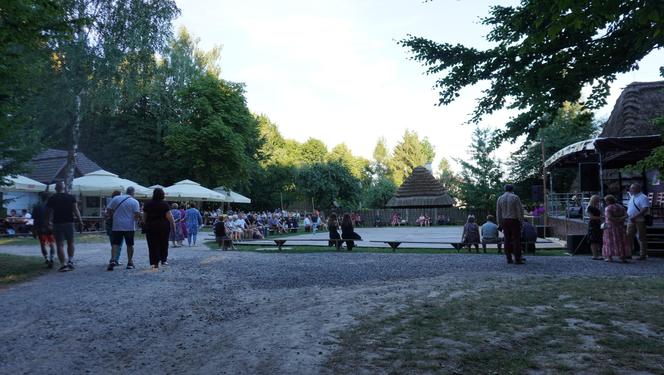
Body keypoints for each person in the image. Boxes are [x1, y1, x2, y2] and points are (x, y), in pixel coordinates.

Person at [46, 181, 83, 272]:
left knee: (59, 244)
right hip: (69, 222)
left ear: (55, 188)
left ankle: (63, 265)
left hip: (57, 223)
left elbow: (49, 212)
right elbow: (76, 210)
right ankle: (70, 261)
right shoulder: (70, 197)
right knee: (71, 242)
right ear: (64, 188)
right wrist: (80, 220)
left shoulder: (52, 198)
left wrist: (48, 222)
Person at [106, 186, 140, 271]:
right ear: (133, 193)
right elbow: (136, 215)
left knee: (115, 244)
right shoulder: (135, 201)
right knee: (130, 244)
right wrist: (135, 219)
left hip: (117, 225)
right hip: (129, 227)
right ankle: (130, 263)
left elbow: (109, 209)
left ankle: (113, 260)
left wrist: (112, 216)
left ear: (126, 191)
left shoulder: (116, 198)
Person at [142, 188, 175, 270]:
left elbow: (144, 216)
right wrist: (173, 226)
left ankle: (154, 262)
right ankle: (163, 260)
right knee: (163, 243)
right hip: (163, 226)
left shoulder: (148, 204)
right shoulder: (164, 204)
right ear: (162, 195)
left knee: (152, 244)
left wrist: (144, 224)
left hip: (151, 226)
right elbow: (169, 216)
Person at [496, 184, 525, 264]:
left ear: (505, 189)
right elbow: (519, 210)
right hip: (514, 220)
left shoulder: (500, 198)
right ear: (512, 189)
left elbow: (498, 212)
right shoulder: (515, 197)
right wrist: (521, 221)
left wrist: (499, 223)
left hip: (504, 220)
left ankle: (508, 258)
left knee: (506, 239)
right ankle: (517, 259)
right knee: (516, 240)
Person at [626, 183, 650, 260]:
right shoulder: (632, 197)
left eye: (632, 188)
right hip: (630, 220)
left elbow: (645, 209)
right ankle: (628, 253)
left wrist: (635, 216)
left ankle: (643, 255)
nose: (630, 190)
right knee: (629, 236)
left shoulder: (643, 197)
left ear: (637, 189)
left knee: (641, 237)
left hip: (640, 220)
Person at [603, 194, 629, 262]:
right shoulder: (621, 207)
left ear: (608, 201)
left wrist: (616, 219)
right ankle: (622, 257)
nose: (606, 202)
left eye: (606, 201)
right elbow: (626, 215)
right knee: (621, 241)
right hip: (620, 227)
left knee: (609, 242)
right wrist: (620, 219)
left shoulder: (608, 208)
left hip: (610, 227)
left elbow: (609, 217)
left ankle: (609, 257)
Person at [32, 192, 55, 268]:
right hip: (50, 227)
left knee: (42, 244)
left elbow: (35, 220)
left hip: (40, 228)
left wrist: (34, 230)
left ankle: (46, 258)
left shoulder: (37, 207)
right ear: (48, 198)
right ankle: (52, 258)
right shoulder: (52, 207)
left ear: (41, 198)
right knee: (51, 244)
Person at [104, 190, 124, 265]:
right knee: (119, 244)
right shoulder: (120, 204)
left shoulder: (110, 204)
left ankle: (113, 259)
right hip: (118, 226)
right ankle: (115, 259)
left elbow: (106, 215)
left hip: (110, 226)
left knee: (113, 243)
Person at [586, 195, 603, 260]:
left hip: (598, 224)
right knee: (593, 240)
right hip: (593, 225)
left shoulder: (598, 207)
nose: (598, 201)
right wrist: (600, 217)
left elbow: (601, 214)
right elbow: (591, 217)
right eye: (597, 200)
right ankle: (594, 255)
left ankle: (598, 254)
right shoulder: (589, 207)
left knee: (598, 239)